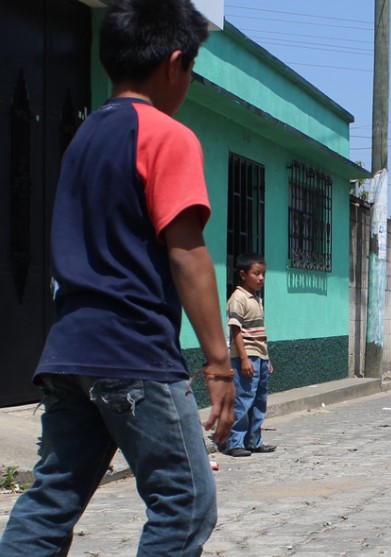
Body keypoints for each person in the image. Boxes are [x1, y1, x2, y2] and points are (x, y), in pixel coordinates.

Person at [0, 1, 235, 555]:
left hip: (69, 354)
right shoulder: (167, 134)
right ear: (175, 63)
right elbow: (186, 255)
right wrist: (219, 366)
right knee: (186, 504)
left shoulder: (84, 137)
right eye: (193, 70)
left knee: (51, 501)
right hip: (133, 354)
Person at [224, 253, 277, 457]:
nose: (261, 278)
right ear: (243, 274)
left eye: (263, 274)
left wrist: (267, 358)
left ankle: (254, 440)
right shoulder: (238, 298)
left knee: (259, 401)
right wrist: (244, 359)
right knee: (243, 400)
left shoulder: (256, 299)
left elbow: (259, 334)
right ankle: (234, 442)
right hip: (246, 357)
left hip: (260, 356)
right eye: (257, 273)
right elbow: (236, 330)